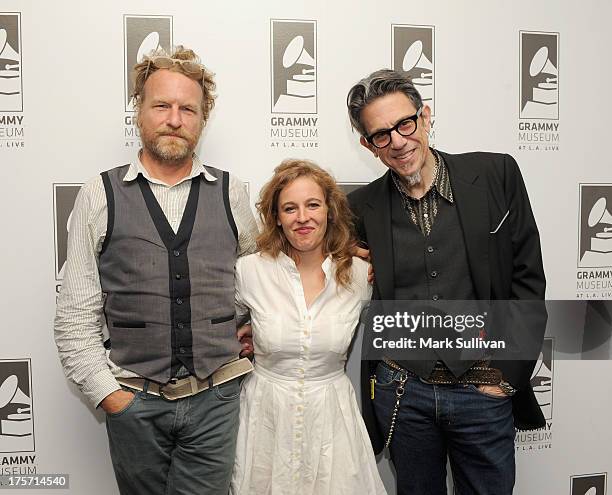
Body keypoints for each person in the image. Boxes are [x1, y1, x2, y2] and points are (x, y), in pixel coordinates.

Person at [54, 46, 258, 495]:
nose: (174, 118)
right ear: (138, 113)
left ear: (203, 119)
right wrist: (111, 397)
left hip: (216, 400)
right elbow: (74, 313)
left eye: (188, 108)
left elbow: (263, 284)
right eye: (161, 105)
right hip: (134, 403)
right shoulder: (99, 194)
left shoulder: (234, 194)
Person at [346, 69, 547, 495]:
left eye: (405, 123)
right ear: (368, 145)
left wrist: (506, 376)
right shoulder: (359, 207)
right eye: (381, 135)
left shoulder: (496, 175)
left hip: (483, 387)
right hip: (403, 392)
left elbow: (528, 280)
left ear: (426, 116)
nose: (398, 141)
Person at [230, 159, 387, 495]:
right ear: (276, 217)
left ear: (329, 211)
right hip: (265, 421)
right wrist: (244, 336)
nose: (302, 217)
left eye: (313, 205)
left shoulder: (362, 275)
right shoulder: (249, 272)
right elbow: (212, 328)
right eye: (290, 208)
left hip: (333, 421)